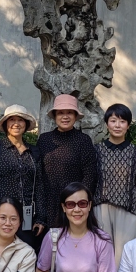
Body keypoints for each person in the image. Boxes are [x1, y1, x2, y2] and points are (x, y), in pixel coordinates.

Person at [93, 103, 136, 272]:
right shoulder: (97, 150)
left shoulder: (135, 152)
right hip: (101, 207)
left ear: (128, 125)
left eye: (122, 121)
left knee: (123, 256)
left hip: (127, 210)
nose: (117, 125)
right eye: (113, 120)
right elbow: (93, 179)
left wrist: (133, 206)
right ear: (107, 123)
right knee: (103, 254)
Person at [0, 104, 44, 249]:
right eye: (12, 120)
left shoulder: (33, 151)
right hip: (2, 217)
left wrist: (40, 217)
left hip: (27, 217)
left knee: (26, 254)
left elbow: (39, 185)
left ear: (26, 124)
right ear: (5, 124)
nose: (16, 123)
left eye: (20, 120)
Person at [37, 94, 97, 228]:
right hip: (48, 204)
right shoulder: (44, 140)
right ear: (55, 116)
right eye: (60, 113)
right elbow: (39, 175)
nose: (65, 116)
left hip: (74, 206)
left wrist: (79, 202)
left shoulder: (83, 141)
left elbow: (90, 175)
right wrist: (40, 211)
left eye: (69, 112)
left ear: (75, 116)